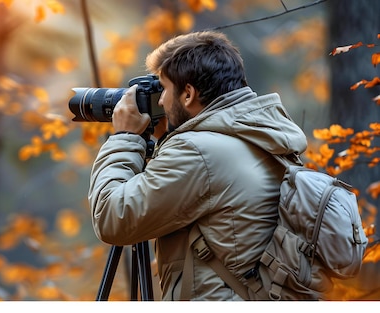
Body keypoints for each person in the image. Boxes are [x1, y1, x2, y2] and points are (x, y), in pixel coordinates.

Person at [88, 30, 308, 300]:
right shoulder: (262, 138)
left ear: (188, 94)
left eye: (165, 89)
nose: (160, 101)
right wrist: (168, 139)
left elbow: (113, 218)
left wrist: (125, 138)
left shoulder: (197, 152)